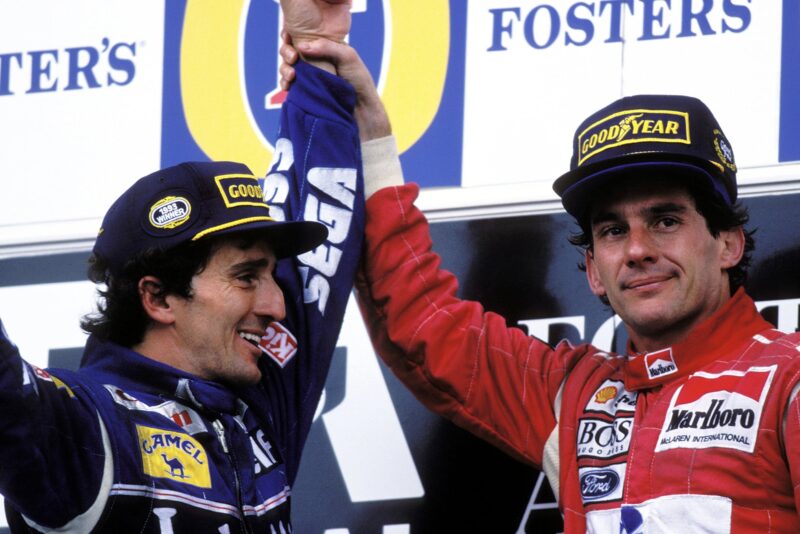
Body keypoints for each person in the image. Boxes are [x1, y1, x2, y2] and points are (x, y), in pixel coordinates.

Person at [277, 6, 800, 532]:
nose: (637, 249)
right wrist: (365, 128)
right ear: (594, 270)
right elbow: (422, 324)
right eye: (613, 230)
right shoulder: (575, 397)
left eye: (665, 220)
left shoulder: (788, 380)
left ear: (728, 243)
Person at [0, 4, 365, 528]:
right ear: (159, 298)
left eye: (270, 273)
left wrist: (316, 49)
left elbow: (321, 197)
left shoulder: (254, 407)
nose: (277, 304)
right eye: (246, 277)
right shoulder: (88, 429)